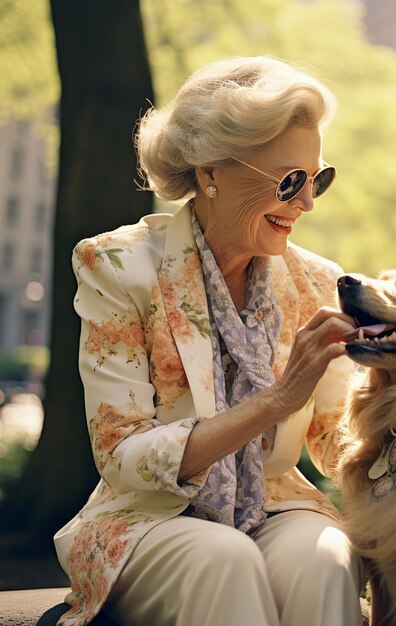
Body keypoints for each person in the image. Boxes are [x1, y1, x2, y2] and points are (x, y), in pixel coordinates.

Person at [53, 56, 364, 626]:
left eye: (318, 179)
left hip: (274, 502)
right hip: (147, 517)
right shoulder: (117, 265)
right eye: (289, 180)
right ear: (209, 171)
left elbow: (336, 437)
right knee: (226, 558)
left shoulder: (317, 281)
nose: (308, 203)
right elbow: (123, 457)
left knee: (326, 558)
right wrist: (273, 402)